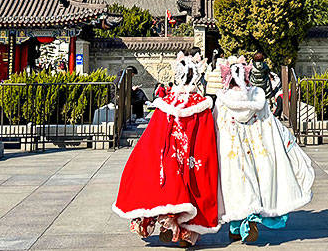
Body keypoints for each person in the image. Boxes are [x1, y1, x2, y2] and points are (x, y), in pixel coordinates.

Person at [113, 51, 219, 247]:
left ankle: (161, 224)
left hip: (168, 155)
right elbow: (206, 138)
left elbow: (153, 136)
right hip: (191, 156)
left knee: (166, 190)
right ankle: (185, 233)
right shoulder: (202, 106)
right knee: (190, 190)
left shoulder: (166, 104)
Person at [214, 55, 314, 242]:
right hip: (258, 150)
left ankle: (237, 227)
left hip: (231, 152)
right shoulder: (258, 98)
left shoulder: (222, 102)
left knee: (235, 187)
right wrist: (285, 141)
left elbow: (216, 126)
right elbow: (271, 123)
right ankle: (249, 222)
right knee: (258, 184)